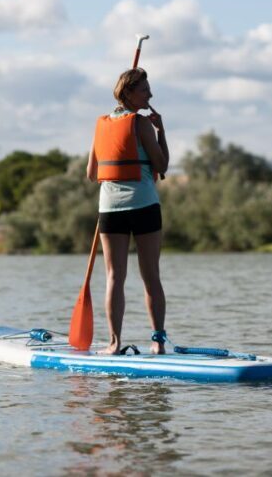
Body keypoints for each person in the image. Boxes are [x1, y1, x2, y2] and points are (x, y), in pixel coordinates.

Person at [86, 68, 169, 355]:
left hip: (110, 209)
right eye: (145, 90)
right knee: (151, 276)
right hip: (144, 204)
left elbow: (91, 173)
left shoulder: (101, 124)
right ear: (130, 93)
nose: (150, 95)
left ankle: (114, 342)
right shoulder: (142, 124)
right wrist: (162, 132)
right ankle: (158, 341)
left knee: (114, 277)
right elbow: (162, 166)